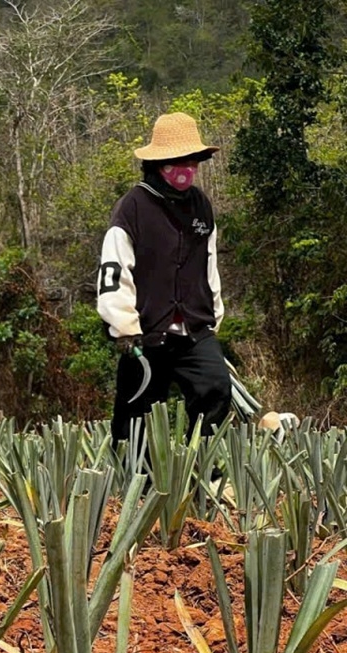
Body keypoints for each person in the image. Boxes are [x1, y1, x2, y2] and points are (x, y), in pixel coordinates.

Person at [97, 112, 232, 444]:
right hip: (144, 331)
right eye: (177, 162)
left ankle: (200, 468)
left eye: (192, 162)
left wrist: (214, 313)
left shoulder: (201, 205)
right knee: (135, 415)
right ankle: (134, 486)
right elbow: (114, 269)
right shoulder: (133, 207)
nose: (186, 169)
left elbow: (208, 263)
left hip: (194, 328)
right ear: (159, 163)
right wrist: (124, 325)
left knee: (216, 389)